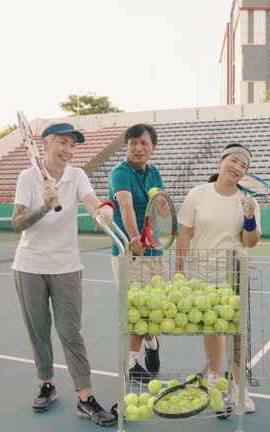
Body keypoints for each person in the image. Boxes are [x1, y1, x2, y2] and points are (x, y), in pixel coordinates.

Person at [11, 121, 116, 427]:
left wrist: (102, 211)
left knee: (71, 332)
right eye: (63, 143)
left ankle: (85, 397)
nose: (69, 150)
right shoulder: (27, 177)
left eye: (73, 145)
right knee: (39, 331)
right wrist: (44, 206)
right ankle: (47, 383)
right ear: (46, 144)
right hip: (29, 265)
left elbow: (92, 201)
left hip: (67, 266)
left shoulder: (77, 175)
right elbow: (17, 223)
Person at [175, 143, 260, 413]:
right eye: (233, 161)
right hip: (201, 273)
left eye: (243, 165)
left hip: (233, 273)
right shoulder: (197, 194)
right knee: (210, 328)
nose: (237, 167)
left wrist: (248, 217)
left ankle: (238, 388)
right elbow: (185, 233)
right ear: (221, 162)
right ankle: (214, 376)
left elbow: (252, 241)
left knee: (236, 333)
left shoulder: (248, 201)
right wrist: (179, 270)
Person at [108, 123, 165, 384]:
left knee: (155, 309)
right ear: (127, 145)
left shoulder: (154, 173)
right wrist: (133, 236)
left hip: (155, 251)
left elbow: (162, 212)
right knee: (137, 309)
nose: (138, 148)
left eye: (143, 143)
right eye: (133, 143)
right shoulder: (120, 172)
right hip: (130, 252)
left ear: (153, 147)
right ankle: (131, 362)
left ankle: (151, 344)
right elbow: (125, 204)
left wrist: (163, 202)